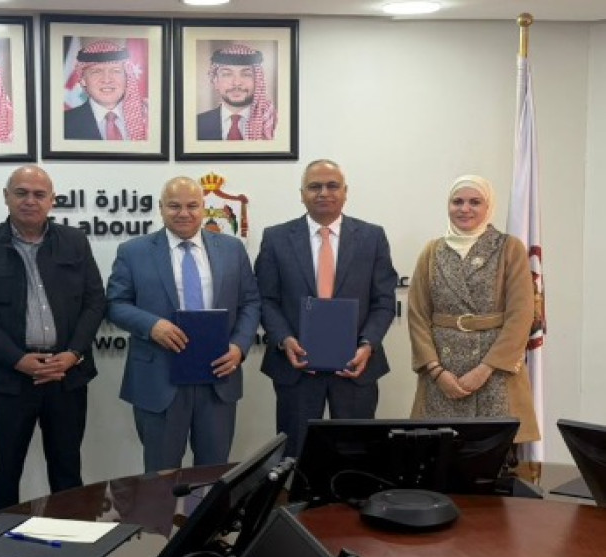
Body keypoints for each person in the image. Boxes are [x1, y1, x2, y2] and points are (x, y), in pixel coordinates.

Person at [0, 165, 106, 514]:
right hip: (11, 379)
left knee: (67, 471)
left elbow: (95, 301)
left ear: (52, 200)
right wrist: (17, 359)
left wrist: (73, 353)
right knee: (5, 470)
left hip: (66, 376)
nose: (30, 201)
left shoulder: (74, 241)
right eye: (21, 193)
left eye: (39, 194)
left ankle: (71, 540)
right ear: (6, 197)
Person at [107, 176, 260, 472]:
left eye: (192, 206)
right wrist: (152, 325)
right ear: (161, 208)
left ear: (203, 208)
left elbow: (251, 302)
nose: (184, 213)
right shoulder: (133, 251)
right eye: (174, 206)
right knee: (161, 477)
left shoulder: (232, 249)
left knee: (214, 474)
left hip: (218, 378)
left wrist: (239, 347)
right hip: (160, 379)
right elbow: (115, 304)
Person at [254, 159, 397, 457]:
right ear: (301, 194)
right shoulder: (276, 238)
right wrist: (284, 339)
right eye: (314, 186)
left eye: (332, 186)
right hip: (296, 366)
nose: (323, 193)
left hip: (356, 366)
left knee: (356, 454)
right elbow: (266, 299)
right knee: (295, 454)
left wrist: (367, 344)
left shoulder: (372, 237)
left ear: (345, 192)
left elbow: (383, 301)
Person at [408, 175, 539, 444]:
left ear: (488, 206)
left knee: (491, 452)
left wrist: (484, 370)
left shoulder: (509, 248)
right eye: (457, 202)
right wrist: (437, 372)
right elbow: (417, 316)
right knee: (438, 452)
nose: (464, 209)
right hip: (442, 374)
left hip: (494, 373)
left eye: (474, 202)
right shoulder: (431, 251)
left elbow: (521, 315)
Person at [64, 39, 147, 141]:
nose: (107, 80)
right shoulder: (63, 124)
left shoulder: (148, 119)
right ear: (83, 80)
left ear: (127, 77)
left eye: (115, 71)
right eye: (96, 71)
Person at [196, 43, 276, 141]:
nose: (236, 83)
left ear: (258, 81)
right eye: (227, 74)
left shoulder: (273, 123)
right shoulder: (196, 124)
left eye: (246, 74)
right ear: (215, 82)